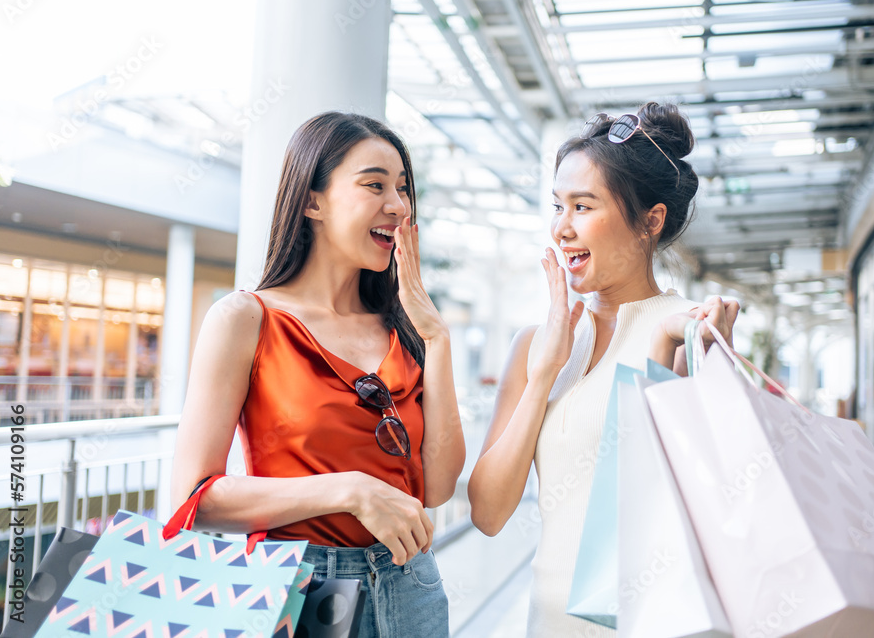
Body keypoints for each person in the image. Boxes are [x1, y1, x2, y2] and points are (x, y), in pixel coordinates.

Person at [171, 112, 465, 638]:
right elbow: (192, 499)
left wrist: (438, 340)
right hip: (299, 589)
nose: (398, 206)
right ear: (312, 201)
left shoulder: (406, 329)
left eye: (402, 189)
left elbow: (438, 487)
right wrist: (348, 491)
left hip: (411, 586)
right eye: (375, 185)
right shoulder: (246, 319)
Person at [468, 102, 739, 636]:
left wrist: (706, 364)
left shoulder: (688, 332)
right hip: (549, 623)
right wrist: (543, 372)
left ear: (649, 221)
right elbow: (488, 513)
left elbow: (714, 498)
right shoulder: (535, 345)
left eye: (583, 207)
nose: (562, 228)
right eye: (557, 206)